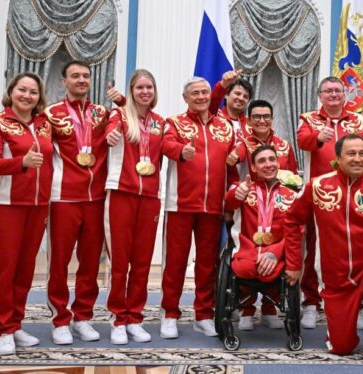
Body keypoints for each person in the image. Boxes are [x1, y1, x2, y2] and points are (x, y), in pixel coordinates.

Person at [285, 135, 363, 363]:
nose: (357, 159)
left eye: (362, 154)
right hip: (335, 274)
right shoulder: (316, 186)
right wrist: (295, 264)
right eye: (351, 153)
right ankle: (341, 329)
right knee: (342, 347)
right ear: (338, 158)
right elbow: (292, 220)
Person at [44, 61, 118, 344]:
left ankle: (83, 316)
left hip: (97, 198)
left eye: (86, 75)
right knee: (59, 262)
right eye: (75, 75)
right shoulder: (50, 114)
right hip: (63, 197)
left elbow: (128, 120)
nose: (81, 80)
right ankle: (60, 319)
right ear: (64, 81)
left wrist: (121, 103)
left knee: (90, 263)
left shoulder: (102, 113)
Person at [0, 72, 53, 355]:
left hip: (38, 206)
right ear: (11, 92)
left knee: (25, 270)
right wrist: (21, 162)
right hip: (5, 205)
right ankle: (3, 329)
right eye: (22, 90)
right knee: (5, 270)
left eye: (33, 92)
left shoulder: (44, 124)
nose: (27, 96)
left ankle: (16, 322)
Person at [160, 77, 235, 339]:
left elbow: (232, 167)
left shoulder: (225, 127)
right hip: (180, 204)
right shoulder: (174, 122)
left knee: (207, 264)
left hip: (213, 207)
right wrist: (181, 151)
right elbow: (165, 144)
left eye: (205, 92)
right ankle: (170, 314)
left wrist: (230, 200)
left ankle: (203, 314)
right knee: (175, 263)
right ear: (186, 98)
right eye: (195, 93)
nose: (201, 97)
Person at [296, 77, 363, 329]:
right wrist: (318, 137)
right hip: (320, 195)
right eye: (328, 91)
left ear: (345, 94)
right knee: (313, 248)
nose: (334, 94)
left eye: (338, 90)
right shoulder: (308, 119)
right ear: (320, 95)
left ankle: (357, 304)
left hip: (354, 195)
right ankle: (310, 302)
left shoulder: (360, 120)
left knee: (354, 250)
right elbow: (302, 142)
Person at [103, 69, 164, 345]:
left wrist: (183, 151)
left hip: (150, 196)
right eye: (139, 87)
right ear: (131, 91)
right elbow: (110, 132)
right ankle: (118, 318)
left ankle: (135, 317)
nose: (145, 92)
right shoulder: (119, 115)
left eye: (149, 87)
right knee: (120, 261)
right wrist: (111, 136)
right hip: (121, 193)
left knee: (142, 262)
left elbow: (169, 146)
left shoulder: (160, 122)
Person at [224, 145, 296, 331]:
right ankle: (246, 310)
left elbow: (296, 231)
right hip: (247, 249)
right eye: (262, 161)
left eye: (272, 159)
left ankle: (269, 310)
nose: (268, 164)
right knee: (245, 267)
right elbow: (229, 203)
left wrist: (275, 253)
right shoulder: (244, 188)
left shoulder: (292, 194)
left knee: (275, 269)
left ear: (278, 163)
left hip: (277, 251)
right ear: (254, 167)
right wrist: (236, 194)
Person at [227, 99, 298, 176]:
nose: (262, 121)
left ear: (272, 119)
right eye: (257, 117)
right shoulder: (243, 143)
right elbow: (235, 157)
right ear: (248, 121)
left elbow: (294, 176)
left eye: (266, 116)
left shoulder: (285, 146)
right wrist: (232, 158)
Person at [209, 69, 251, 138]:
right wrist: (223, 84)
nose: (241, 98)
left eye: (245, 97)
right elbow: (212, 101)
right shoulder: (213, 116)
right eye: (237, 94)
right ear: (226, 94)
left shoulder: (251, 124)